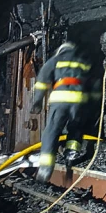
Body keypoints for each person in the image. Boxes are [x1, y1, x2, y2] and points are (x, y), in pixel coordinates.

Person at [32, 40, 92, 183]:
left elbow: (42, 81)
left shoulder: (56, 60)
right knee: (75, 127)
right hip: (79, 100)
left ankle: (46, 168)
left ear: (61, 51)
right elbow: (90, 81)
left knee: (52, 130)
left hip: (60, 98)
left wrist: (37, 101)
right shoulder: (82, 62)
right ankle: (71, 153)